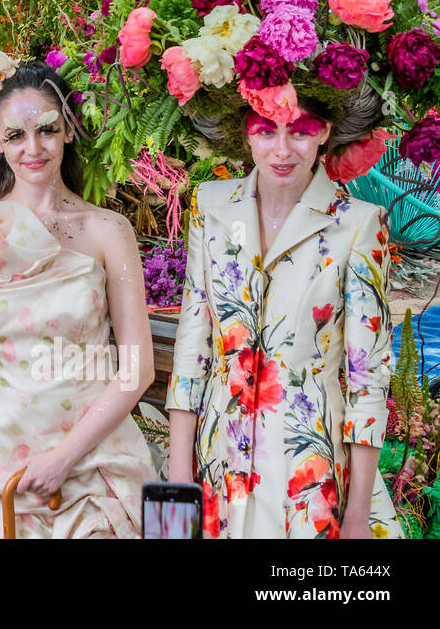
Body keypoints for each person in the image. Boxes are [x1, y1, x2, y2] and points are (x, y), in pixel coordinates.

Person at [0, 56, 155, 538]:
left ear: (69, 131)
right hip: (1, 460)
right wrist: (22, 411)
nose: (33, 148)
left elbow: (138, 367)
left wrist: (64, 453)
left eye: (48, 131)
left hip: (94, 459)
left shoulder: (108, 231)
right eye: (15, 135)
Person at [167, 98, 402, 538]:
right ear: (245, 131)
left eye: (299, 130)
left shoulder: (359, 224)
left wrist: (355, 517)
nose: (281, 150)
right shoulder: (210, 205)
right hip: (217, 457)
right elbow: (192, 343)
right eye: (265, 130)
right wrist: (180, 470)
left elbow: (367, 378)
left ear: (326, 131)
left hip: (306, 467)